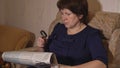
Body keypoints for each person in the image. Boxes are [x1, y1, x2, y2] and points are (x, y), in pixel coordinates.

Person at [37, 0, 108, 68]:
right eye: (62, 13)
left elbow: (101, 63)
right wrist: (42, 46)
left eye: (68, 14)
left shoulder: (91, 34)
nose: (63, 18)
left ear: (80, 15)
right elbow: (46, 53)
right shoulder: (58, 28)